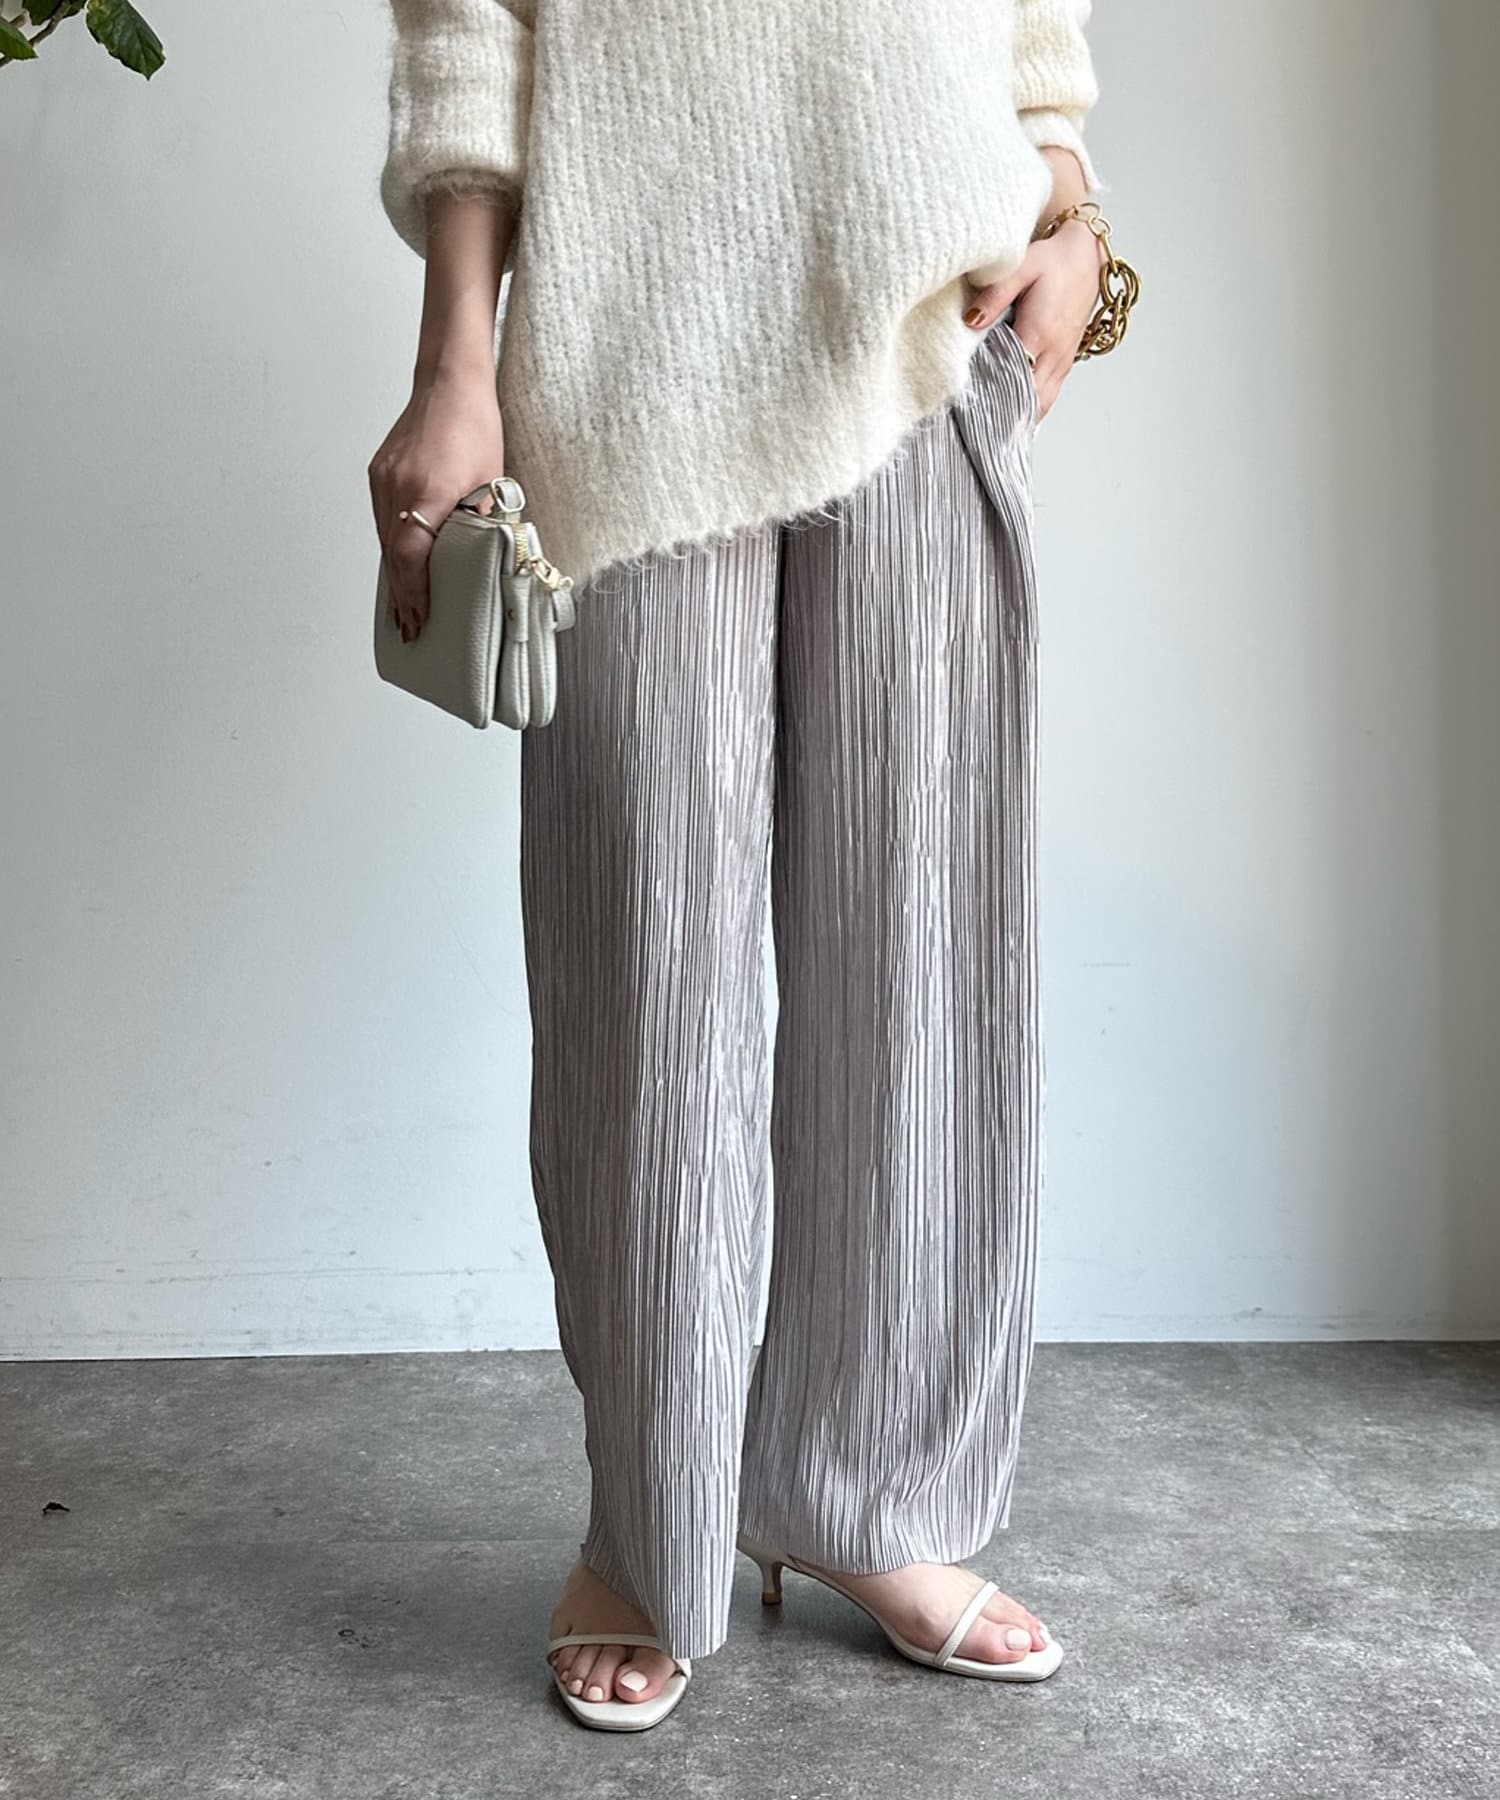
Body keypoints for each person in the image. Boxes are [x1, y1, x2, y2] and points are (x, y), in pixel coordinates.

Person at [369, 0, 1116, 1733]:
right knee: (649, 973)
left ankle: (873, 1492)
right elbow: (471, 36)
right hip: (632, 354)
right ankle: (651, 1525)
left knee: (921, 958)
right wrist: (456, 361)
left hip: (936, 328)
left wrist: (1071, 189)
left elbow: (1034, 26)